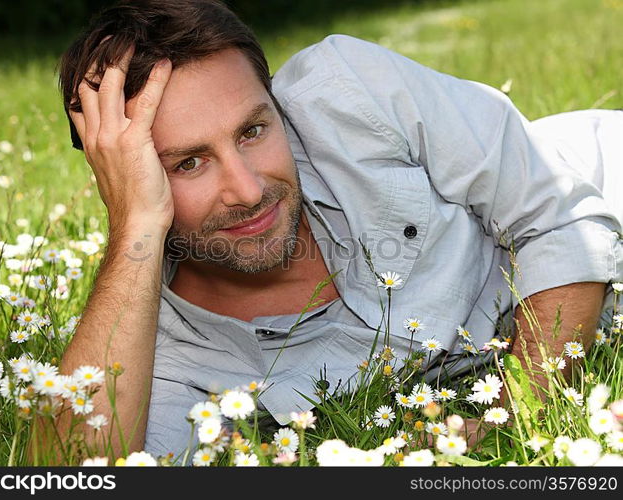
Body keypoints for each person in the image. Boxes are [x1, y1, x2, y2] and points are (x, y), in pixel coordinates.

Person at [52, 0, 623, 459]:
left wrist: (517, 414)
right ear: (124, 178)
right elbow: (76, 469)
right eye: (188, 163)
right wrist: (136, 227)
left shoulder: (350, 89)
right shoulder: (160, 354)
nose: (249, 189)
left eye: (253, 131)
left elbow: (561, 220)